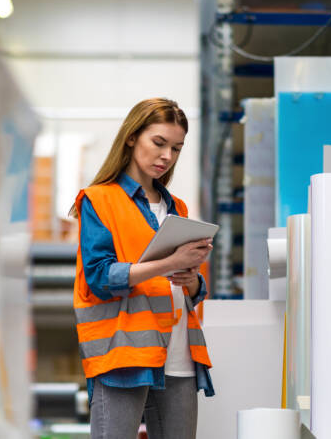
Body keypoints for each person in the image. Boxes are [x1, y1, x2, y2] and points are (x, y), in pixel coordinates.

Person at [70, 98, 215, 439]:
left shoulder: (177, 207)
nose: (167, 156)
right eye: (159, 143)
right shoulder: (99, 199)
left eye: (176, 148)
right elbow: (100, 278)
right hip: (124, 354)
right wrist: (169, 263)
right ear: (132, 137)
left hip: (180, 355)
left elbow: (192, 290)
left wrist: (191, 278)